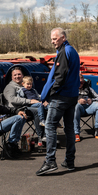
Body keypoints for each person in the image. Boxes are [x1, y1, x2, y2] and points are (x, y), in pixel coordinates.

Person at [36, 27, 80, 175]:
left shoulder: (64, 52)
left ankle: (50, 161)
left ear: (63, 37)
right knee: (69, 129)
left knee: (49, 126)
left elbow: (60, 77)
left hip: (61, 97)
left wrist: (50, 94)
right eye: (52, 39)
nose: (52, 41)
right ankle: (69, 161)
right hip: (72, 96)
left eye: (55, 39)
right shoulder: (71, 51)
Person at [2, 67, 45, 141]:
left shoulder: (25, 85)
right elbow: (12, 99)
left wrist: (44, 100)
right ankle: (41, 136)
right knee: (37, 111)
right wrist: (29, 101)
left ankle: (47, 133)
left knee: (45, 107)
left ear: (22, 76)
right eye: (15, 75)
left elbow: (35, 96)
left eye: (19, 74)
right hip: (16, 110)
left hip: (25, 107)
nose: (17, 76)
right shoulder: (10, 87)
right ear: (12, 77)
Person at [74, 73, 98, 141]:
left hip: (89, 107)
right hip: (78, 108)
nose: (82, 84)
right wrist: (78, 101)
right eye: (80, 82)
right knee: (76, 106)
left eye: (83, 82)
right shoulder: (71, 88)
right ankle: (76, 133)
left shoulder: (88, 88)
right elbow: (67, 99)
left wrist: (91, 100)